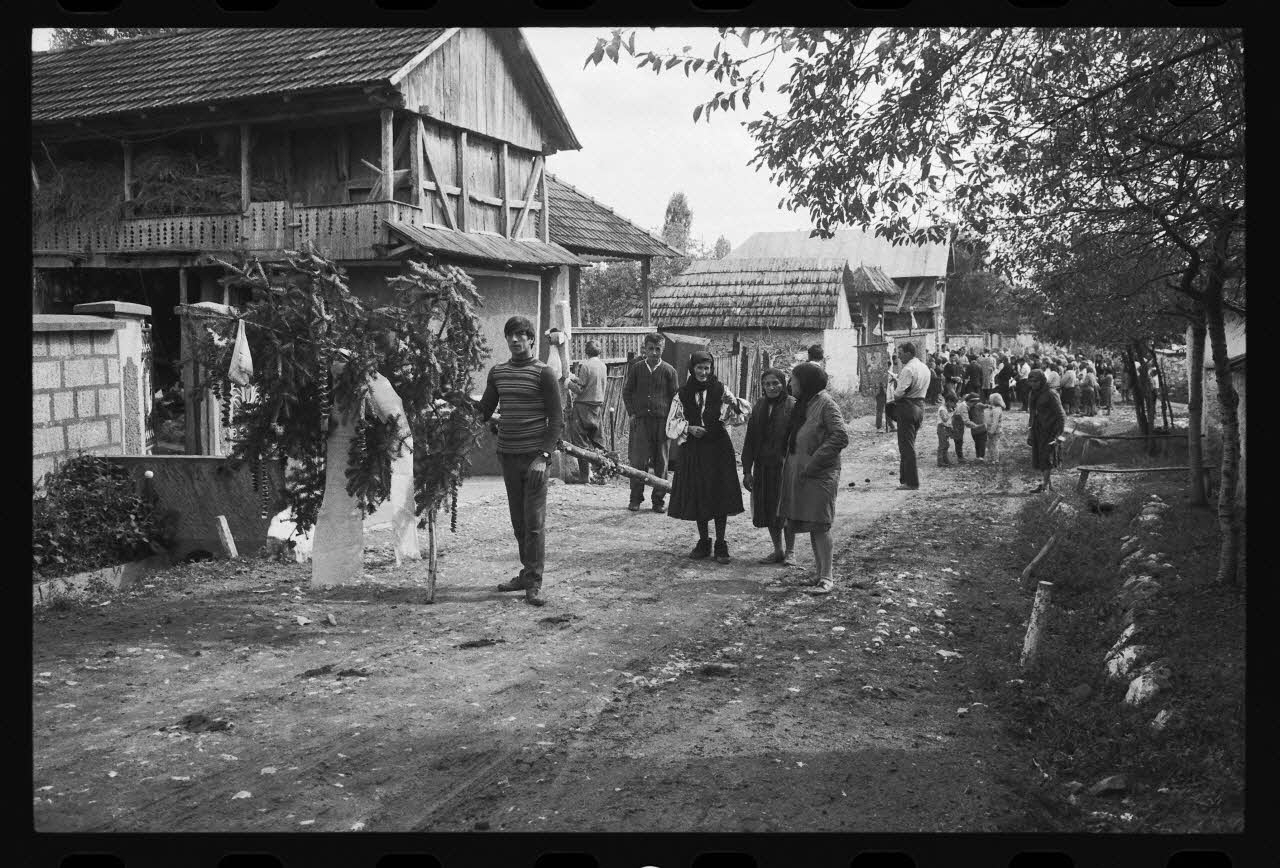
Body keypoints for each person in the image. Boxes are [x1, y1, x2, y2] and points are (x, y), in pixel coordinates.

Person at [478, 316, 565, 607]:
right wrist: (451, 397)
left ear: (530, 339)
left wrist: (543, 457)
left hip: (535, 459)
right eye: (510, 336)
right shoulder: (498, 373)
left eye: (520, 335)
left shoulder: (544, 373)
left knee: (534, 522)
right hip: (508, 456)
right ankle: (526, 573)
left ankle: (534, 582)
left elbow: (557, 420)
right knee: (518, 522)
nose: (515, 340)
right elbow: (483, 410)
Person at [666, 351, 747, 564]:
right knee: (699, 492)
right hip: (695, 448)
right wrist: (689, 428)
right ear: (692, 369)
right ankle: (704, 541)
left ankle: (721, 542)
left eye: (707, 368)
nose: (703, 372)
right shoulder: (682, 393)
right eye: (700, 368)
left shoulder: (721, 390)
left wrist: (732, 403)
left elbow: (738, 419)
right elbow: (671, 424)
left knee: (719, 492)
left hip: (718, 447)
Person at [776, 362, 849, 594]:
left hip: (820, 474)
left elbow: (840, 436)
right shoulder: (806, 403)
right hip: (804, 474)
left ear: (805, 382)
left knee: (821, 524)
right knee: (812, 523)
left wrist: (814, 461)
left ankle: (827, 578)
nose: (790, 384)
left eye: (794, 380)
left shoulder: (826, 404)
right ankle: (819, 574)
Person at [741, 367, 797, 565]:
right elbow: (750, 440)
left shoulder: (792, 406)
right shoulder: (759, 406)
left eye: (776, 383)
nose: (772, 387)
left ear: (783, 383)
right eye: (767, 384)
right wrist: (747, 470)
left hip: (785, 466)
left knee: (786, 509)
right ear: (762, 386)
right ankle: (778, 550)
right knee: (769, 508)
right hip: (763, 466)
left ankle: (790, 551)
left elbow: (798, 439)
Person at [622, 333, 680, 513]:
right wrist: (632, 413)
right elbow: (627, 392)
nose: (654, 353)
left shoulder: (669, 371)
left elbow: (675, 398)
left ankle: (658, 501)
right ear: (644, 349)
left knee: (661, 462)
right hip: (642, 422)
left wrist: (671, 420)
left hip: (662, 423)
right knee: (638, 461)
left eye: (658, 349)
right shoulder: (637, 368)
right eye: (651, 349)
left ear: (662, 350)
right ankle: (635, 498)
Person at [566, 340, 607, 484]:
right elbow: (591, 383)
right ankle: (603, 475)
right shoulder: (602, 366)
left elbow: (581, 388)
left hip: (583, 407)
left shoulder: (586, 365)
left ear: (586, 351)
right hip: (597, 407)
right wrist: (575, 377)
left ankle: (584, 477)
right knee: (598, 442)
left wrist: (568, 384)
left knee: (580, 441)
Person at [891, 341, 930, 490]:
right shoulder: (924, 367)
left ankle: (911, 482)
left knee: (906, 446)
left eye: (900, 354)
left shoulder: (908, 369)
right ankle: (905, 478)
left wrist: (896, 386)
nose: (899, 357)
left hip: (907, 407)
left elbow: (898, 394)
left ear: (908, 353)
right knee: (909, 443)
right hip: (920, 405)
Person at [1026, 368, 1066, 493]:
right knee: (1040, 456)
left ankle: (1045, 486)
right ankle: (1048, 484)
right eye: (1031, 381)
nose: (1033, 384)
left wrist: (1059, 434)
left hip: (1051, 429)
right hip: (1038, 428)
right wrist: (1030, 430)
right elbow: (1032, 413)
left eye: (1035, 381)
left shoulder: (1051, 393)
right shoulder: (1033, 393)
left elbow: (1061, 414)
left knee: (1047, 457)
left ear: (1042, 380)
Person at [964, 392, 989, 462]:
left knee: (982, 443)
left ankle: (981, 456)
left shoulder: (979, 405)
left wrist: (989, 406)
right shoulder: (968, 408)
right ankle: (978, 456)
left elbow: (985, 406)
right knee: (977, 443)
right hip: (975, 430)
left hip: (982, 429)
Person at [983, 392, 1006, 463]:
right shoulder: (996, 408)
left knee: (994, 445)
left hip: (995, 431)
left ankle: (995, 459)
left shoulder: (996, 410)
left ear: (994, 401)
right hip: (992, 430)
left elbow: (995, 423)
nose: (989, 401)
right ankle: (992, 457)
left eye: (990, 399)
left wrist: (991, 431)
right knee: (989, 444)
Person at [935, 397, 957, 466]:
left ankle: (945, 460)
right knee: (942, 445)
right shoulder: (942, 409)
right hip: (942, 428)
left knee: (946, 445)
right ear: (949, 401)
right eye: (953, 403)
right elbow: (944, 419)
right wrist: (951, 413)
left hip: (946, 428)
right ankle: (940, 461)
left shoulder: (947, 408)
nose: (953, 405)